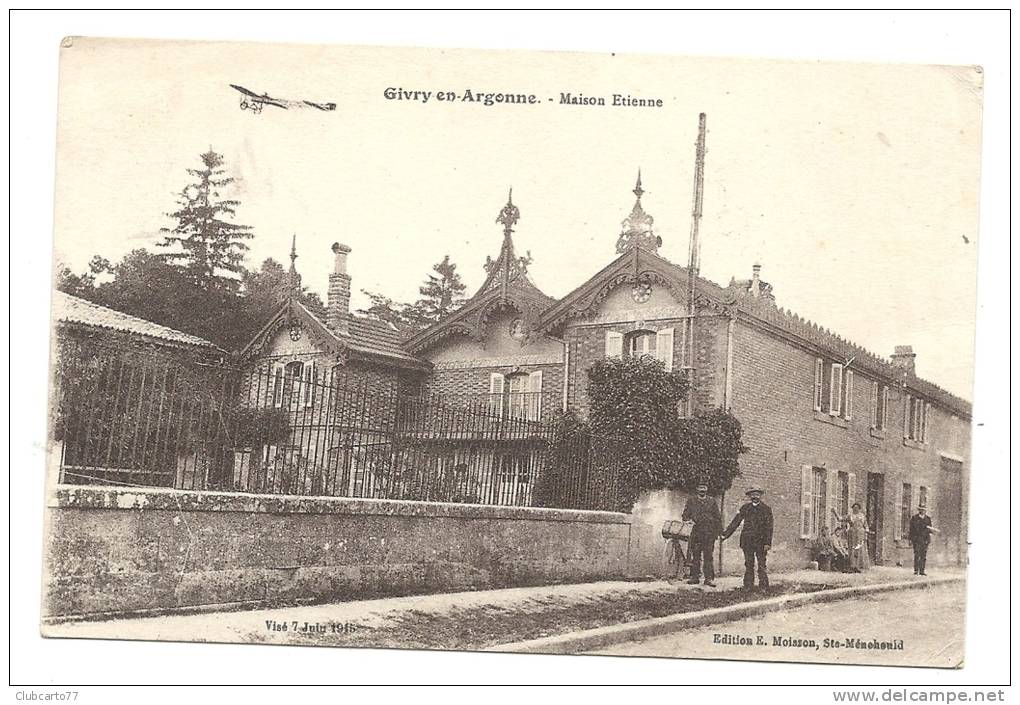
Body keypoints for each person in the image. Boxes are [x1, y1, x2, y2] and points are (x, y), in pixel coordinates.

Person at [721, 486, 774, 589]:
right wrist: (726, 534)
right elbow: (736, 522)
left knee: (761, 564)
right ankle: (748, 586)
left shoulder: (766, 509)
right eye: (753, 494)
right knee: (749, 564)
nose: (755, 496)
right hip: (748, 541)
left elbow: (769, 527)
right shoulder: (745, 508)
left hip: (761, 542)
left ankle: (763, 586)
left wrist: (768, 543)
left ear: (760, 496)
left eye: (757, 494)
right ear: (750, 496)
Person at [681, 482, 722, 587]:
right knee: (696, 556)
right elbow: (685, 515)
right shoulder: (691, 501)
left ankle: (708, 579)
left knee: (708, 556)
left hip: (709, 533)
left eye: (704, 487)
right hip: (696, 533)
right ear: (697, 489)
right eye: (700, 487)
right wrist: (688, 520)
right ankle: (695, 577)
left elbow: (717, 517)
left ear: (707, 489)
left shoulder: (712, 501)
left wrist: (718, 532)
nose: (702, 489)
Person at [908, 504, 940, 576]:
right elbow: (911, 529)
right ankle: (916, 570)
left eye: (923, 510)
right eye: (921, 509)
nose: (922, 511)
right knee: (917, 555)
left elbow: (930, 529)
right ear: (919, 510)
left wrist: (933, 531)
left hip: (925, 540)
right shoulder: (914, 518)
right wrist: (910, 539)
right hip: (916, 539)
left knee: (923, 555)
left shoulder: (928, 519)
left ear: (925, 511)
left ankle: (922, 571)